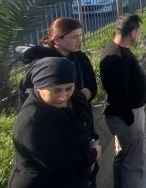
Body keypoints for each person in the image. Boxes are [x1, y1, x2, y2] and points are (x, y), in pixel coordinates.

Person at [9, 57, 100, 188]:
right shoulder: (32, 122)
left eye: (68, 88)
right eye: (55, 90)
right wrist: (93, 154)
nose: (63, 96)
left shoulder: (73, 99)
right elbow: (63, 166)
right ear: (39, 87)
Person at [100, 14, 146, 188]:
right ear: (133, 33)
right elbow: (118, 93)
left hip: (128, 115)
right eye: (139, 32)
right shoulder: (116, 57)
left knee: (123, 156)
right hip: (127, 117)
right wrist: (130, 120)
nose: (139, 36)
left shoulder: (117, 51)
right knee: (134, 163)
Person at [18, 17, 97, 108]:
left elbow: (91, 82)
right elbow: (29, 96)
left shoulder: (80, 57)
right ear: (57, 39)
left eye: (80, 35)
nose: (80, 40)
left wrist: (89, 91)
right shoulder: (42, 63)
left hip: (81, 114)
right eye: (74, 37)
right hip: (52, 117)